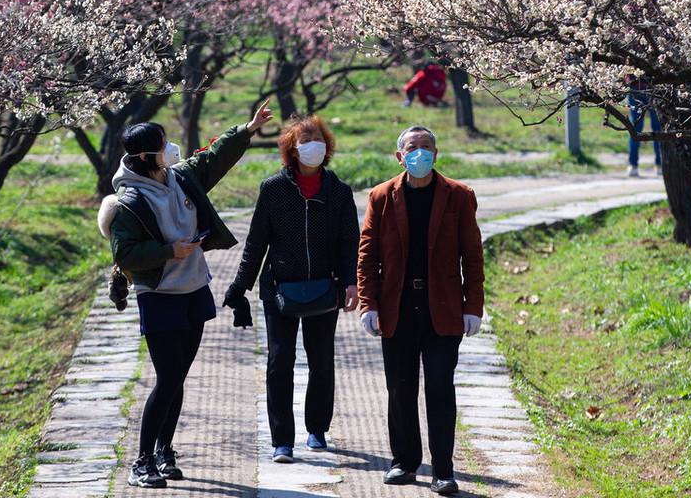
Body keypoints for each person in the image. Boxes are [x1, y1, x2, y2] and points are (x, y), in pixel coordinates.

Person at [110, 99, 274, 488]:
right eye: (164, 144)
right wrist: (169, 251)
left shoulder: (179, 177)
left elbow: (212, 159)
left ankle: (165, 451)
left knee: (179, 376)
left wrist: (248, 129)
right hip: (160, 294)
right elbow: (125, 253)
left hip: (192, 289)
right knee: (167, 378)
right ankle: (142, 460)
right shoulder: (128, 202)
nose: (172, 149)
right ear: (148, 155)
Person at [224, 115, 360, 464]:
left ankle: (317, 429)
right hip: (279, 289)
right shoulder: (273, 189)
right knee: (279, 362)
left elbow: (350, 243)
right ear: (291, 148)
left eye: (317, 138)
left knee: (322, 361)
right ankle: (282, 440)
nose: (311, 144)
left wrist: (351, 282)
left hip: (323, 289)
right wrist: (241, 286)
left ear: (326, 147)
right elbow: (256, 243)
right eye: (304, 138)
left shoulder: (339, 192)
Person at [357, 125, 484, 496]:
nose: (420, 153)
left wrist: (472, 305)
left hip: (442, 309)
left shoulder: (459, 196)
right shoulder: (381, 196)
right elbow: (367, 255)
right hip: (398, 308)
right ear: (400, 156)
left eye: (427, 146)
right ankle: (404, 462)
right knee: (400, 389)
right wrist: (369, 303)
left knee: (441, 387)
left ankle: (443, 469)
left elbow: (472, 255)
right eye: (413, 148)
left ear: (436, 153)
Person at [625, 73, 662, 177]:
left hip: (652, 90)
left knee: (657, 128)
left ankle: (659, 163)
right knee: (636, 129)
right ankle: (633, 164)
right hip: (636, 89)